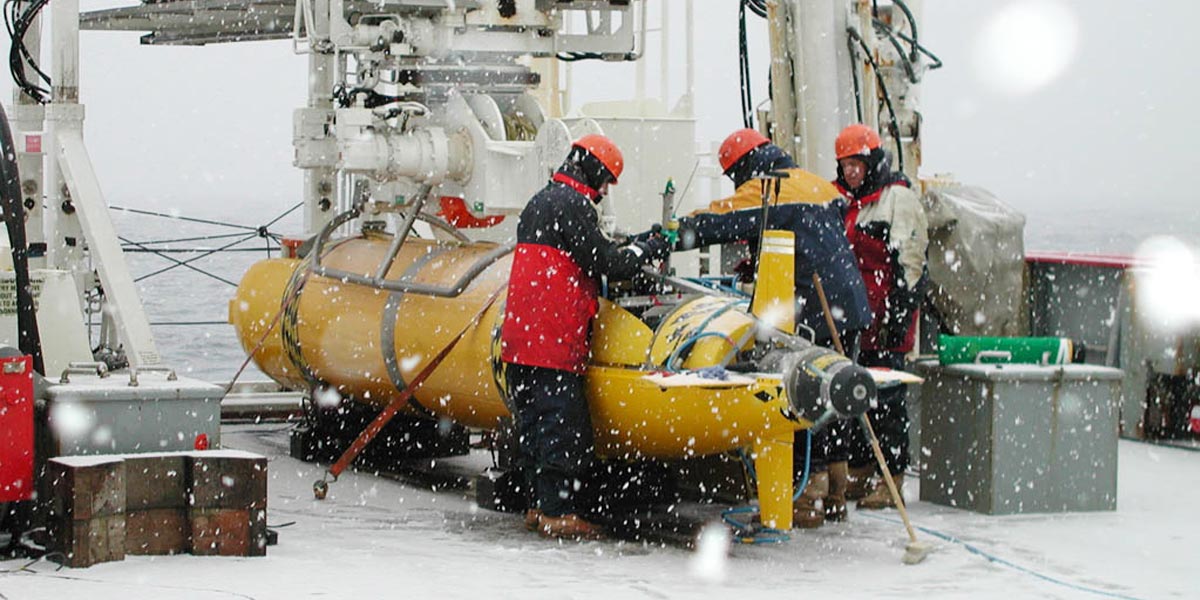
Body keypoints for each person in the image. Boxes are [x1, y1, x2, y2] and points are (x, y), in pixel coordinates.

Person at [665, 128, 872, 528]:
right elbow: (810, 234)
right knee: (837, 396)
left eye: (735, 174)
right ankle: (835, 493)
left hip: (814, 308)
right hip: (849, 304)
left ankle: (804, 499)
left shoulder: (770, 187)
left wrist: (665, 235)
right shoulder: (813, 183)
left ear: (744, 165)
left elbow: (719, 220)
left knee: (801, 398)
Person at [500, 134, 669, 540]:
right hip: (552, 340)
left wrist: (632, 246)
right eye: (606, 179)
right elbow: (605, 262)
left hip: (521, 337)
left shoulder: (542, 200)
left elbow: (585, 251)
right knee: (564, 428)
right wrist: (647, 248)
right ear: (592, 169)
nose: (605, 189)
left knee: (534, 427)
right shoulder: (572, 205)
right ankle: (559, 513)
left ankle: (538, 507)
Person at [832, 123, 929, 510]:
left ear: (871, 161)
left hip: (886, 322)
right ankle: (857, 473)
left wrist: (898, 318)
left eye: (857, 163)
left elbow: (911, 262)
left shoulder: (896, 200)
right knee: (850, 399)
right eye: (845, 164)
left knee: (887, 402)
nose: (851, 171)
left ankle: (890, 478)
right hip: (851, 321)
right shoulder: (839, 200)